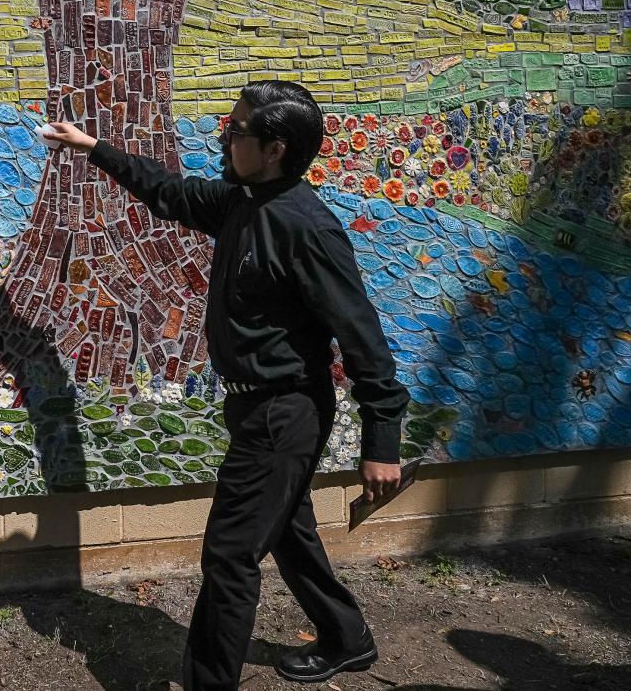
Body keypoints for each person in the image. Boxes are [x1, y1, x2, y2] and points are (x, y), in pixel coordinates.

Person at [46, 80, 408, 688]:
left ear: (274, 147)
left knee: (229, 557)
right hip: (256, 411)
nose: (224, 137)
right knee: (287, 531)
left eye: (236, 130)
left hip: (283, 413)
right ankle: (346, 637)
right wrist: (93, 147)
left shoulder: (306, 228)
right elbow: (169, 193)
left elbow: (361, 332)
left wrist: (383, 441)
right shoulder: (243, 200)